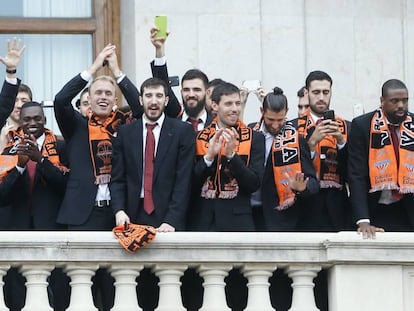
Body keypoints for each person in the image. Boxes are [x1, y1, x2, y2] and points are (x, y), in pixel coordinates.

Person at [54, 44, 143, 311]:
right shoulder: (77, 126)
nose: (103, 97)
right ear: (89, 100)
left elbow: (141, 107)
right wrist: (94, 68)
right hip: (84, 213)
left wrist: (116, 71)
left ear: (115, 100)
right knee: (83, 285)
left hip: (118, 212)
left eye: (108, 93)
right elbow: (60, 100)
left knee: (113, 286)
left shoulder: (126, 127)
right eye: (98, 93)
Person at [0, 39, 70, 311]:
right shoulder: (9, 147)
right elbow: (2, 195)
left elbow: (67, 186)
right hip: (16, 227)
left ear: (44, 120)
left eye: (37, 119)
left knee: (56, 293)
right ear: (20, 120)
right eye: (26, 119)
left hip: (51, 228)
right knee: (17, 295)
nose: (31, 124)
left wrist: (41, 160)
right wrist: (19, 164)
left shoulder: (60, 147)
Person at [110, 77, 195, 231]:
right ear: (141, 100)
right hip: (131, 216)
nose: (154, 101)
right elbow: (117, 178)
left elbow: (183, 180)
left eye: (159, 96)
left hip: (168, 217)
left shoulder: (182, 131)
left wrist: (172, 220)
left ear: (167, 100)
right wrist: (119, 211)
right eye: (149, 96)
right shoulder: (125, 133)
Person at [188, 81, 264, 231]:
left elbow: (254, 184)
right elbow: (190, 183)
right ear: (215, 106)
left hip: (239, 223)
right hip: (202, 222)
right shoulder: (197, 137)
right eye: (229, 104)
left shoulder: (255, 138)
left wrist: (231, 156)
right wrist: (208, 157)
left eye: (237, 103)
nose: (235, 109)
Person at [348, 79, 414, 239]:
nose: (401, 106)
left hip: (408, 208)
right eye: (394, 101)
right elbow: (356, 175)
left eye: (405, 101)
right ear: (382, 101)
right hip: (374, 209)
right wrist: (362, 220)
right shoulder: (362, 126)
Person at [250, 87, 319, 232]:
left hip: (281, 217)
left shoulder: (296, 139)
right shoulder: (249, 133)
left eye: (280, 120)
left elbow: (312, 182)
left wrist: (302, 188)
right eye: (270, 119)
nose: (275, 125)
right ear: (262, 112)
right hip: (250, 213)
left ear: (287, 112)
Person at [297, 70, 350, 232]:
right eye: (316, 92)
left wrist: (341, 141)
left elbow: (354, 171)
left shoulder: (347, 126)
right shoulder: (292, 127)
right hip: (304, 206)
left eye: (325, 92)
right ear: (306, 93)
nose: (321, 97)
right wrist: (311, 143)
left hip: (337, 207)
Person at [149, 27, 213, 131]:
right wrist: (159, 49)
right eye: (186, 90)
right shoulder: (170, 125)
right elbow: (163, 85)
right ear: (181, 91)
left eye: (196, 89)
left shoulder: (218, 126)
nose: (191, 94)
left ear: (207, 92)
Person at [0, 83, 32, 152]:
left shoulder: (36, 132)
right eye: (15, 100)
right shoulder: (2, 133)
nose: (19, 105)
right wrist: (2, 144)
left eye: (24, 101)